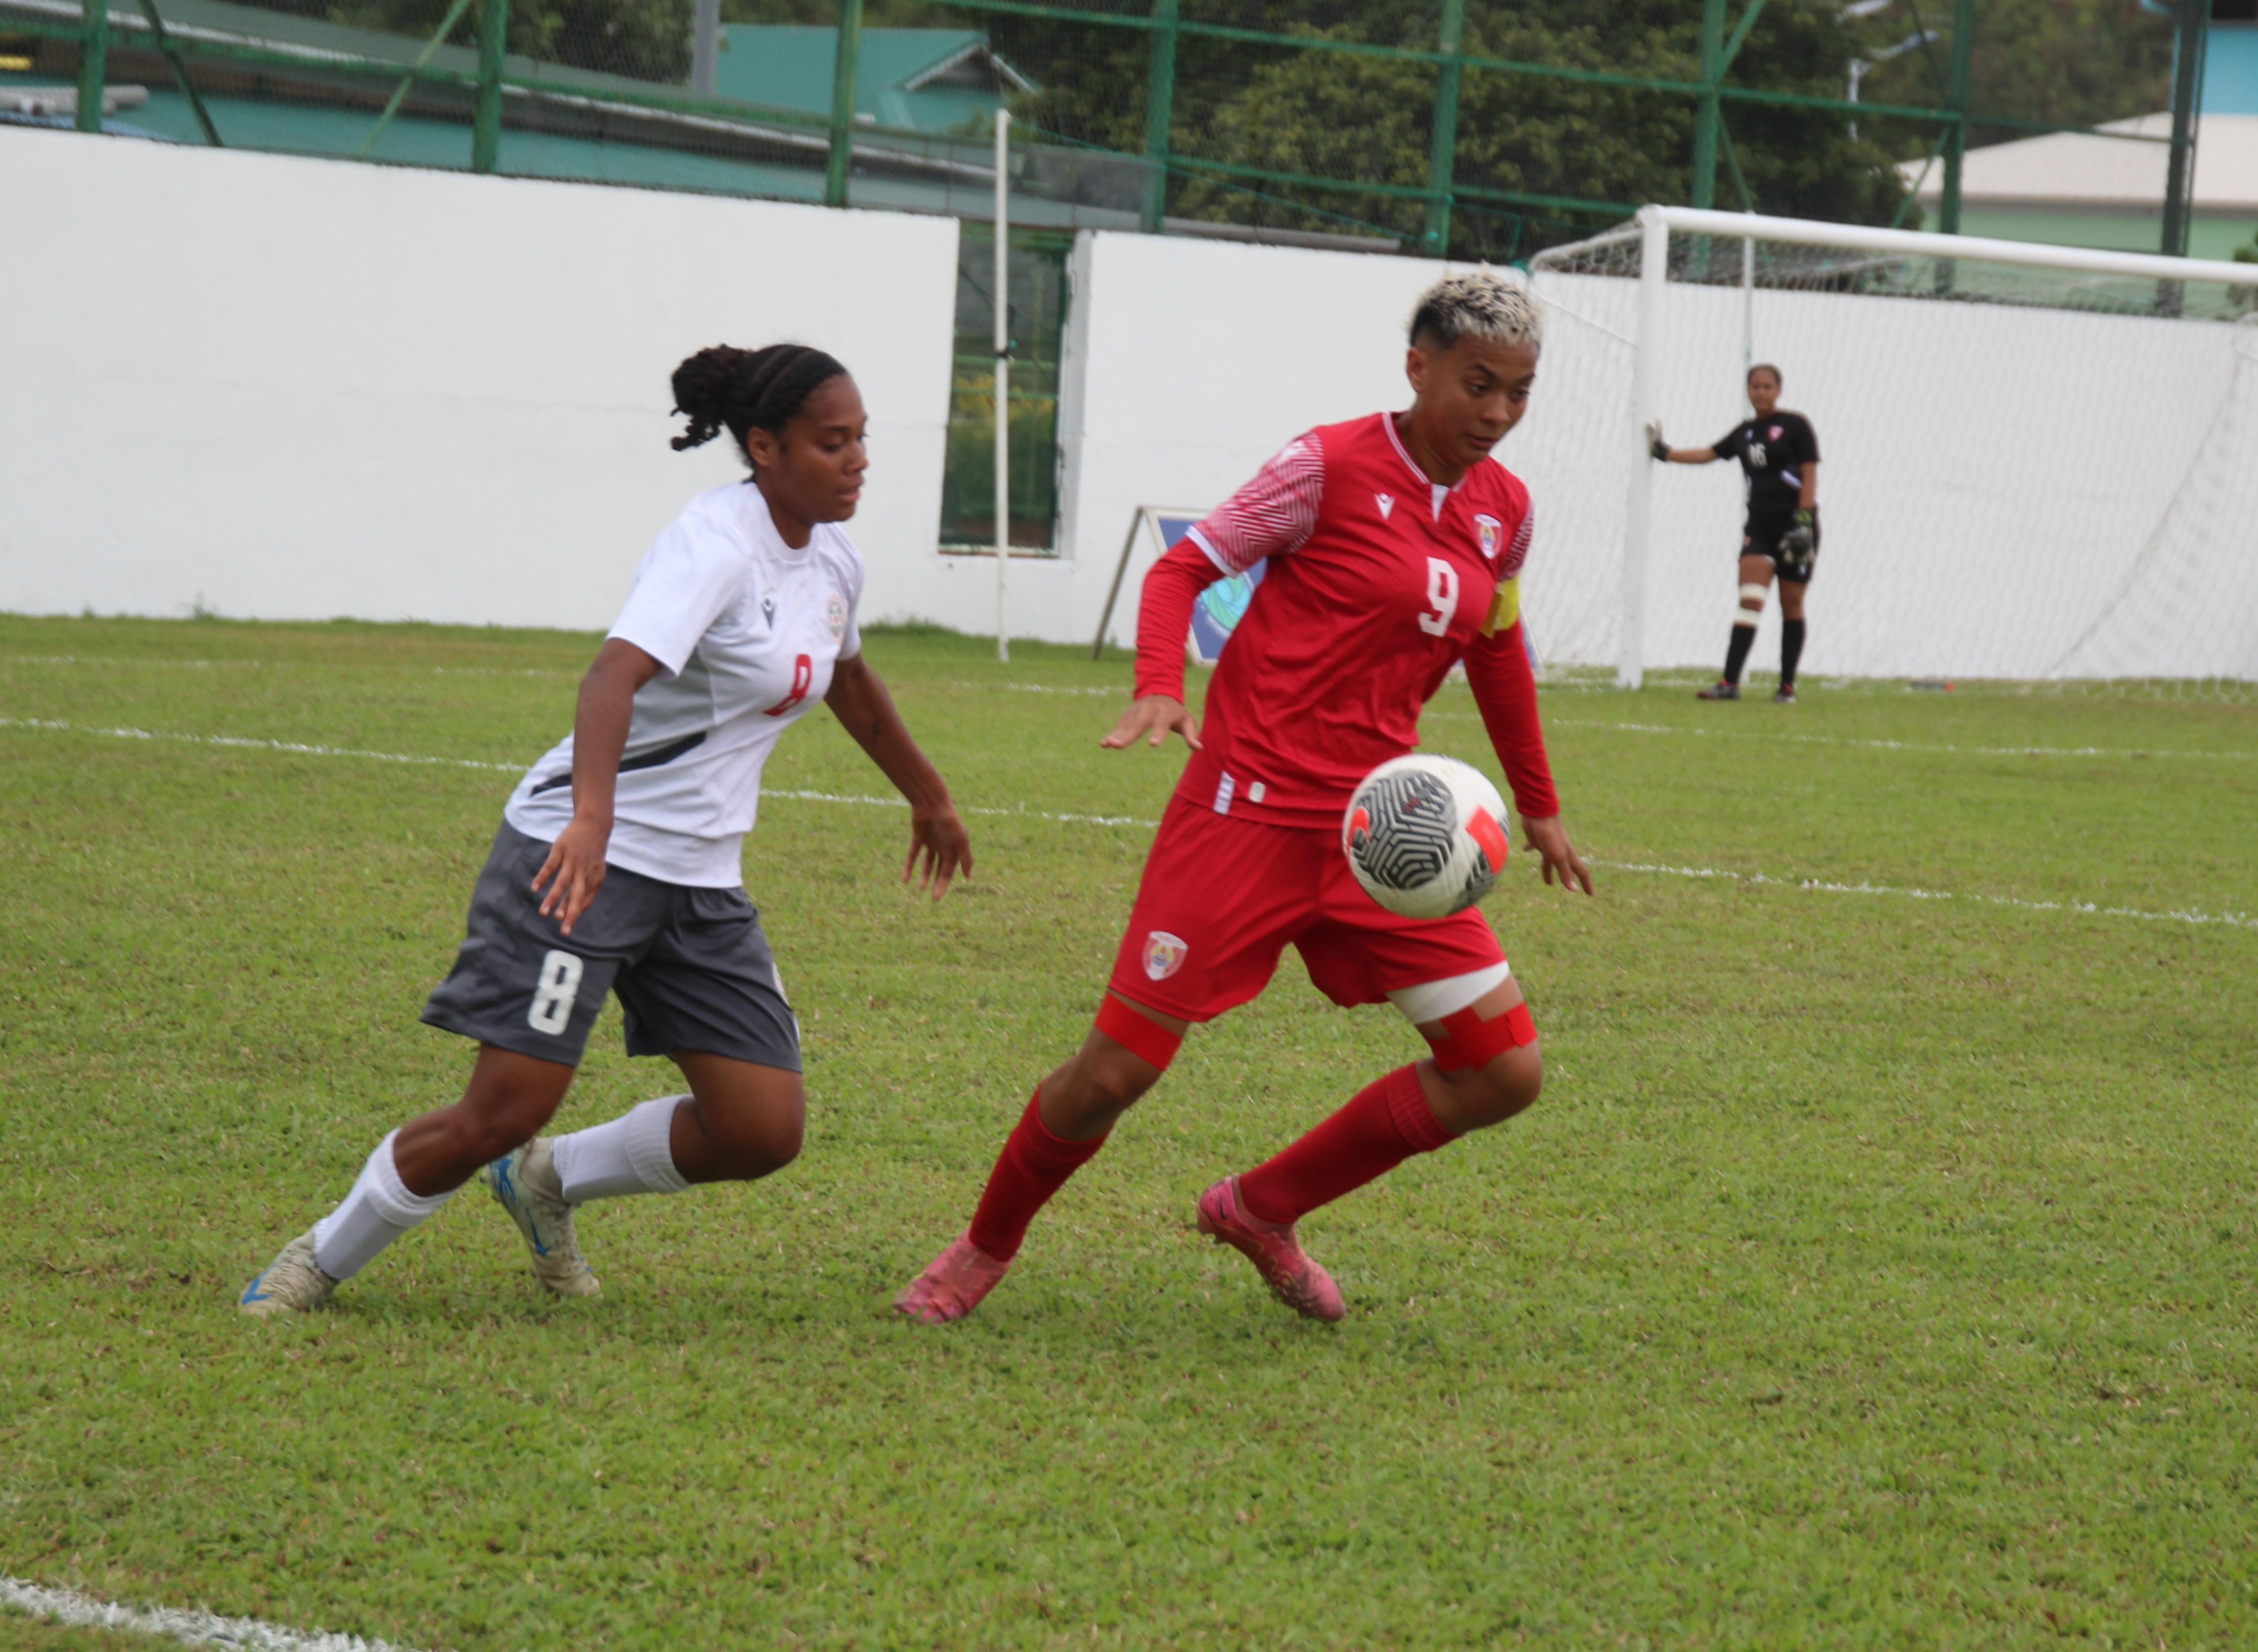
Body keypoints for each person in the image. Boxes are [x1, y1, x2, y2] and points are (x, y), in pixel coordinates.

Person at [895, 272, 1594, 1327]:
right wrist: (1158, 687)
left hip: (1382, 833)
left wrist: (1537, 805)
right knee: (1114, 1072)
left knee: (1501, 1068)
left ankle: (1259, 1209)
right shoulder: (1327, 465)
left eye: (1519, 394)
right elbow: (1183, 570)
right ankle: (982, 1247)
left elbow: (1496, 651)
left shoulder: (1506, 511)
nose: (1497, 414)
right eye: (1477, 385)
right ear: (1419, 367)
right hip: (1245, 812)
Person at [240, 344, 972, 1317]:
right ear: (764, 445)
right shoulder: (713, 543)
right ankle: (318, 1259)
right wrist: (591, 820)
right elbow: (611, 677)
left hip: (700, 877)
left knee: (762, 1128)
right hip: (582, 857)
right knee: (505, 1106)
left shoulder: (834, 557)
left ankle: (547, 1179)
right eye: (832, 442)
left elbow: (846, 674)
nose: (857, 460)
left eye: (862, 439)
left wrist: (926, 793)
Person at [1648, 364, 1820, 703]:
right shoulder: (1744, 433)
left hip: (1795, 527)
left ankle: (1786, 686)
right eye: (1755, 386)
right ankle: (1730, 683)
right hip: (1758, 527)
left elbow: (1809, 473)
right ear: (1747, 391)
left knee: (1791, 604)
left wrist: (1803, 522)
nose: (1761, 392)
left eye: (1767, 386)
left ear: (1778, 390)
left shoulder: (1795, 426)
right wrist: (1665, 454)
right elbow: (1710, 454)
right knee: (1750, 599)